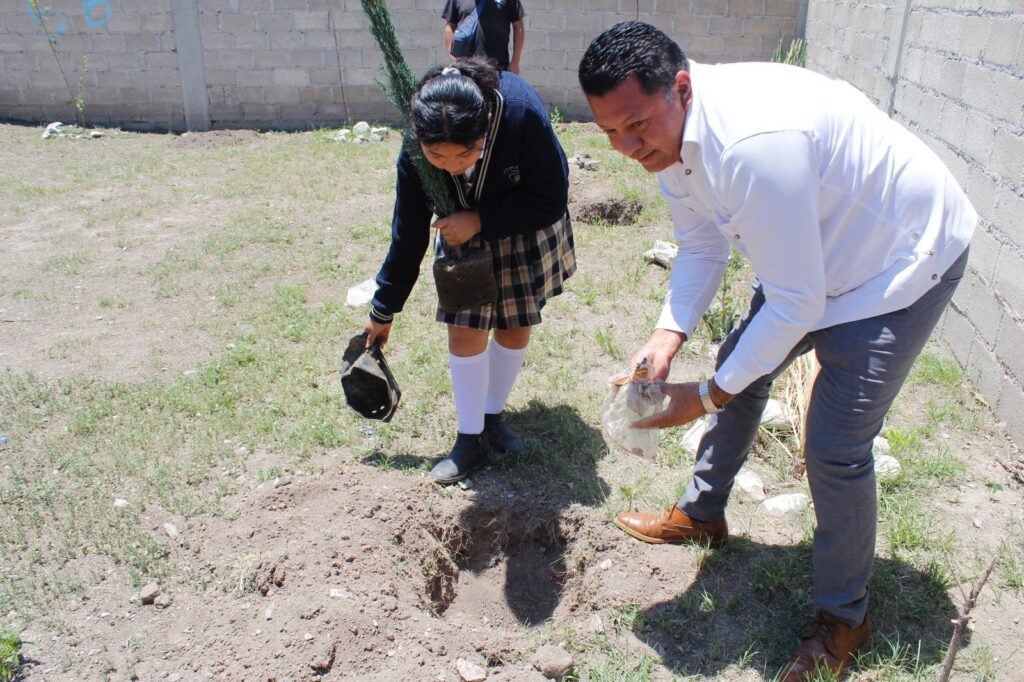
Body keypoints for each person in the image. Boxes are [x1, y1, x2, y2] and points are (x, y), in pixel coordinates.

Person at [578, 21, 975, 682]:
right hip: (813, 261)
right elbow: (702, 245)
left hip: (897, 263)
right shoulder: (670, 137)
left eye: (635, 125)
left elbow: (797, 302)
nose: (625, 146)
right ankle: (704, 515)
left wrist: (702, 397)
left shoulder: (751, 143)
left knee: (835, 446)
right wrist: (666, 335)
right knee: (745, 361)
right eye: (609, 132)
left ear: (680, 88)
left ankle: (845, 617)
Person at [365, 57, 575, 485]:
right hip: (461, 237)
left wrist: (480, 220)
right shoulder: (415, 149)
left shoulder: (521, 114)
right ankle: (470, 437)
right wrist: (383, 308)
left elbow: (551, 197)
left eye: (466, 153)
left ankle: (492, 415)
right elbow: (407, 234)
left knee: (515, 326)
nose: (451, 165)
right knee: (465, 332)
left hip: (522, 222)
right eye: (436, 155)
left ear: (488, 121)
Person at [443, 0, 525, 74]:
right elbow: (450, 26)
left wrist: (515, 62)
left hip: (497, 67)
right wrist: (451, 55)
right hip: (464, 67)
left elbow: (518, 26)